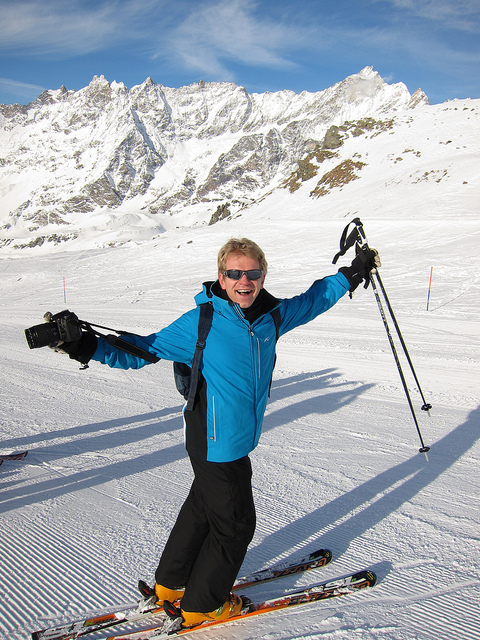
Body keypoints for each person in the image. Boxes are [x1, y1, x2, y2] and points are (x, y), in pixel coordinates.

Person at [49, 237, 379, 628]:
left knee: (203, 507)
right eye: (235, 273)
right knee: (235, 523)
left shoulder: (272, 316)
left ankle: (171, 585)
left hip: (232, 436)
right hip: (213, 436)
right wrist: (81, 345)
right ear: (221, 278)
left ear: (263, 276)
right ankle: (203, 604)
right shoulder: (201, 322)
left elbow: (314, 300)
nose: (244, 281)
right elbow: (141, 351)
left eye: (252, 273)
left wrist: (352, 274)